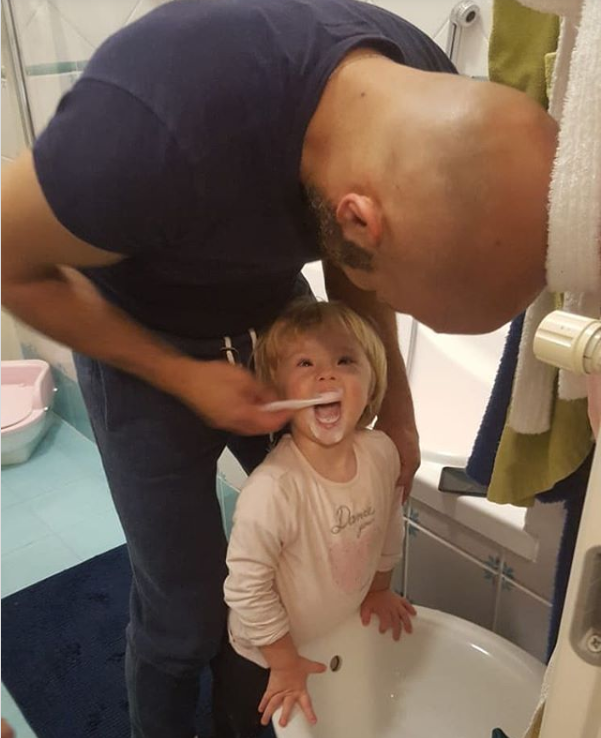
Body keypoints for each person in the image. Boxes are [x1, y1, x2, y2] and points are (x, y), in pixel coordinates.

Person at [0, 0, 556, 735]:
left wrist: (396, 407)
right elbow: (10, 260)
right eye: (401, 295)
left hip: (271, 315)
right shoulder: (142, 128)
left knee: (287, 571)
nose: (382, 305)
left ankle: (248, 715)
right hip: (136, 332)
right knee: (183, 615)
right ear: (358, 217)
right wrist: (181, 375)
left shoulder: (419, 84)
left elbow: (358, 270)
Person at [220, 298, 416, 736]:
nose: (327, 375)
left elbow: (387, 521)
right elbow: (246, 587)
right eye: (305, 363)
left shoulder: (381, 453)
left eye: (346, 360)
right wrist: (283, 660)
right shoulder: (274, 490)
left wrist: (378, 588)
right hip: (262, 654)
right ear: (277, 394)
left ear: (372, 382)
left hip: (327, 632)